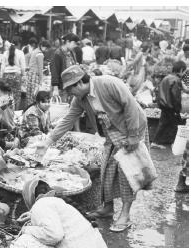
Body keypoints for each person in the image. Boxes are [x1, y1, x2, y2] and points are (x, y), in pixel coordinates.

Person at [33, 65, 153, 233]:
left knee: (127, 174)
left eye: (70, 89)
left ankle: (125, 215)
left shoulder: (110, 84)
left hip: (132, 128)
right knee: (106, 171)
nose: (69, 94)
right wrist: (48, 141)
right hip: (112, 133)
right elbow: (68, 119)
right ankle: (108, 207)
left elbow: (131, 108)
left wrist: (133, 136)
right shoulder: (80, 99)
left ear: (79, 83)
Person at [8, 181, 112, 248]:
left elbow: (54, 236)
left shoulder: (40, 204)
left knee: (23, 242)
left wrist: (26, 229)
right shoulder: (59, 203)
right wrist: (33, 216)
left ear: (28, 196)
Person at [151, 61, 187, 149]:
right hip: (171, 107)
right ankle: (174, 143)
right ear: (181, 70)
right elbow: (176, 97)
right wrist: (177, 109)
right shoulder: (176, 80)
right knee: (175, 125)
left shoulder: (167, 78)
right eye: (184, 72)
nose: (184, 74)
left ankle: (155, 142)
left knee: (163, 124)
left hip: (164, 105)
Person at [50, 33, 79, 103]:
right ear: (68, 42)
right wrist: (55, 88)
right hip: (61, 88)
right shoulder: (58, 54)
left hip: (70, 87)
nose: (75, 46)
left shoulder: (72, 53)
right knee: (60, 110)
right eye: (74, 43)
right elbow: (54, 71)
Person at [0, 41, 26, 110]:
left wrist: (1, 77)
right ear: (19, 44)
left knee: (6, 96)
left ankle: (7, 113)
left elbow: (2, 67)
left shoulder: (5, 53)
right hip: (16, 77)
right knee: (16, 97)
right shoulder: (20, 53)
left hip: (6, 76)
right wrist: (23, 76)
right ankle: (15, 114)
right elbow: (23, 67)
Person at [25, 38, 44, 106]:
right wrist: (41, 81)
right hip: (35, 76)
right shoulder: (39, 54)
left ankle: (29, 111)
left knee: (29, 96)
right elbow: (40, 68)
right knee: (34, 96)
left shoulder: (34, 51)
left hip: (30, 76)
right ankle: (33, 111)